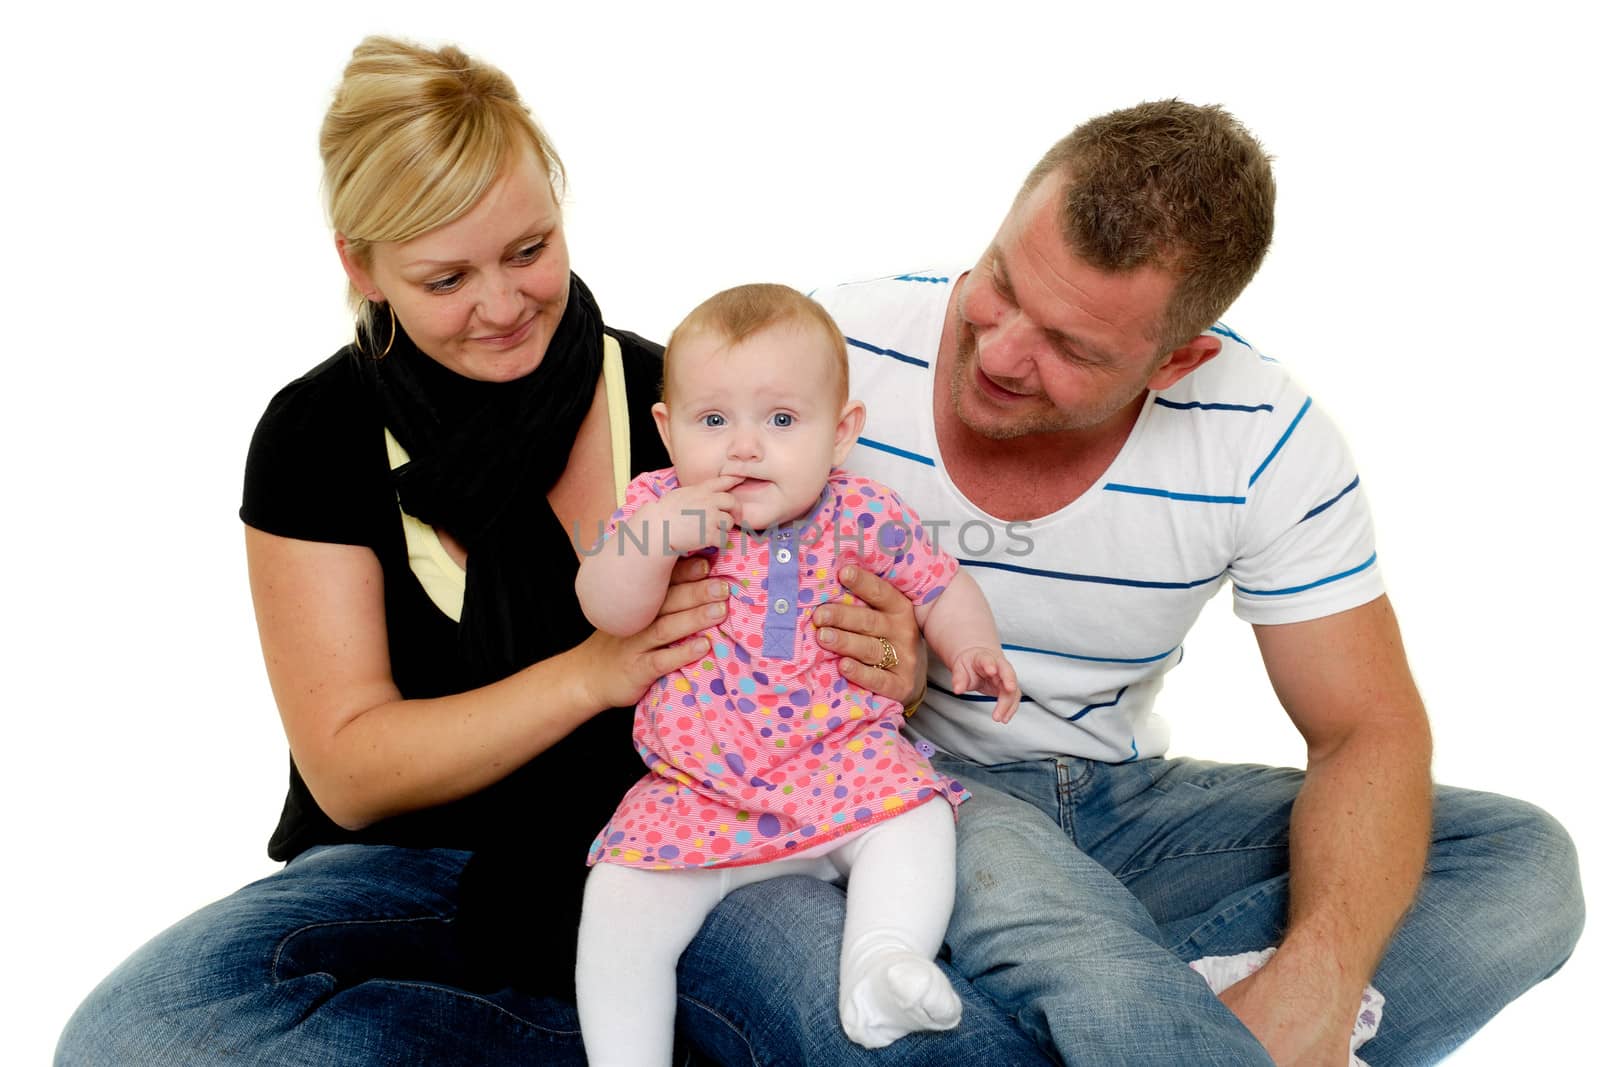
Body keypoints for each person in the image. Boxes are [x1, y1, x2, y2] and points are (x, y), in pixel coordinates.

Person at [51, 38, 1057, 1066]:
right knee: (138, 1031)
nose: (501, 304)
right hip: (415, 865)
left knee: (914, 1046)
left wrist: (896, 659)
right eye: (446, 276)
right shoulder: (318, 433)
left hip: (701, 825)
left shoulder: (692, 411)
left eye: (528, 250)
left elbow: (836, 599)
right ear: (360, 265)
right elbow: (349, 769)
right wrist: (590, 674)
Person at [773, 100, 1582, 1064]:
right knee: (1061, 931)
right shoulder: (836, 345)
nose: (998, 353)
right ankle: (1139, 1012)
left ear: (1178, 360)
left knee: (1524, 866)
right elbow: (710, 595)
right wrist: (867, 669)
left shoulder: (1260, 435)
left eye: (1072, 349)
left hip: (1122, 806)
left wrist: (1314, 984)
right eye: (999, 283)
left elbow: (1366, 728)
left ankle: (1146, 1023)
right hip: (902, 793)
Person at [573, 284, 1019, 1062]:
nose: (744, 448)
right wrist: (654, 540)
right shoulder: (656, 505)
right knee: (616, 901)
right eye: (714, 421)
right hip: (700, 792)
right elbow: (605, 605)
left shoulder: (863, 513)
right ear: (667, 429)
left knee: (919, 820)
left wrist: (972, 645)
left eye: (781, 421)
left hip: (844, 772)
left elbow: (939, 583)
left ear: (840, 433)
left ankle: (881, 963)